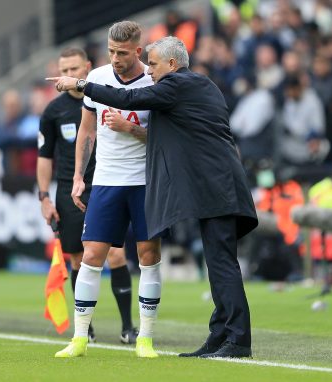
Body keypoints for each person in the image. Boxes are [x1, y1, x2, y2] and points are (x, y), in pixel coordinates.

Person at [48, 36, 258, 358]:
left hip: (218, 187)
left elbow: (128, 97)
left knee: (222, 263)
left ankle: (237, 340)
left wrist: (80, 83)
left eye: (155, 65)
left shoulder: (176, 85)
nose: (150, 72)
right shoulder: (198, 85)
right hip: (214, 185)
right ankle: (220, 335)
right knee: (217, 262)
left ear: (172, 65)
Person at [52, 21, 162, 359]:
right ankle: (80, 338)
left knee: (148, 257)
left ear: (137, 51)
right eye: (112, 51)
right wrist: (79, 178)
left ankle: (144, 338)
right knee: (91, 256)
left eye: (123, 53)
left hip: (145, 182)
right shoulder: (97, 79)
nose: (115, 58)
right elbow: (87, 132)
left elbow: (164, 138)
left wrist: (131, 128)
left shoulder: (155, 82)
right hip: (106, 181)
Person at [36, 47, 138, 345]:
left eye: (74, 69)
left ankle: (128, 327)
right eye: (64, 70)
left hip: (107, 183)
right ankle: (86, 328)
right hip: (70, 189)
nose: (69, 75)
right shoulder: (53, 111)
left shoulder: (104, 96)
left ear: (88, 68)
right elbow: (44, 157)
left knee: (116, 253)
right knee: (79, 257)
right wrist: (44, 197)